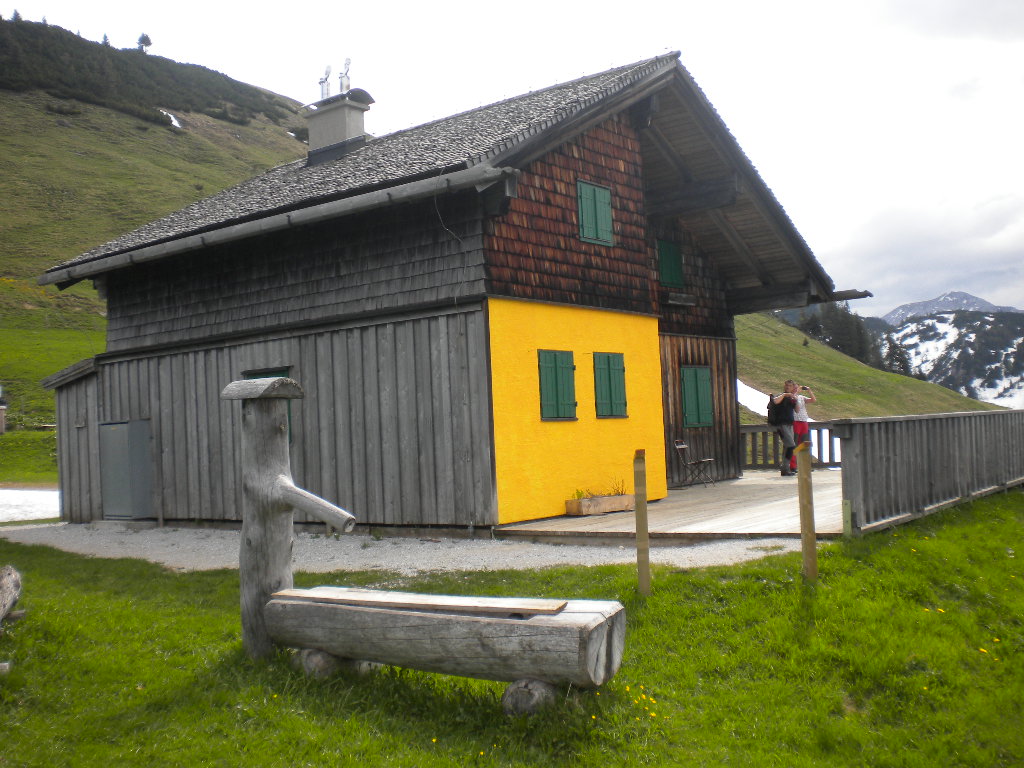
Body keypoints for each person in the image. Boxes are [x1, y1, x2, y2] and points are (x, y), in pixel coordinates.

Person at [771, 382, 797, 476]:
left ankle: (785, 469)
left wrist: (795, 399)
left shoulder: (792, 398)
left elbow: (797, 410)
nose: (787, 387)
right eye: (786, 385)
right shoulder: (781, 395)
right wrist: (785, 394)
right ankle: (785, 468)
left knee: (787, 446)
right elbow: (775, 401)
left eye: (790, 386)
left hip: (790, 424)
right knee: (791, 445)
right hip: (781, 424)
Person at [790, 381, 817, 472]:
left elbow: (813, 400)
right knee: (795, 443)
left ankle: (805, 465)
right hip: (795, 422)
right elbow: (794, 404)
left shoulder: (801, 397)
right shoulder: (791, 396)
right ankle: (793, 465)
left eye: (797, 387)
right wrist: (796, 392)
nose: (797, 389)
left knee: (804, 443)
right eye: (795, 388)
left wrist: (809, 390)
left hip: (804, 421)